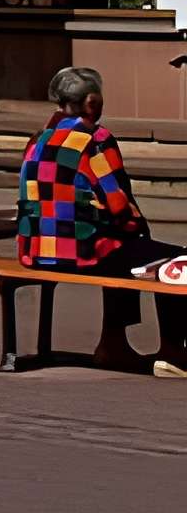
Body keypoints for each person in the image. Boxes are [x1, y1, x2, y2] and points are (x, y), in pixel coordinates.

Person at [18, 64, 187, 376]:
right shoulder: (94, 139)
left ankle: (114, 343)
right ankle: (173, 351)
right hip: (82, 251)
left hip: (36, 250)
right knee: (172, 259)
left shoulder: (37, 140)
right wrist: (138, 229)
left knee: (125, 249)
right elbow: (117, 202)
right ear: (91, 102)